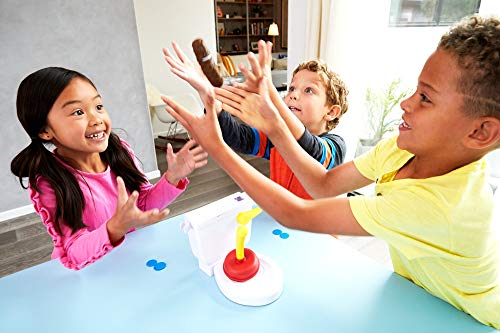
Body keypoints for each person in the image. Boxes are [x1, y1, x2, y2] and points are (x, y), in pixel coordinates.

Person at [163, 15, 500, 329]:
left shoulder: (440, 207)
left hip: (472, 319)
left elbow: (299, 204)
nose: (406, 103)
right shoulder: (403, 148)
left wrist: (222, 145)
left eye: (426, 98)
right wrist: (261, 119)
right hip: (422, 294)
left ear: (481, 132)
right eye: (416, 89)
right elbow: (324, 185)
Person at [10, 67, 208, 270]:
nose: (96, 119)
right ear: (45, 130)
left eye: (98, 106)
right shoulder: (49, 182)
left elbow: (142, 204)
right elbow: (73, 252)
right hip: (89, 270)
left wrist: (172, 178)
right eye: (78, 112)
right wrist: (115, 228)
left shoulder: (118, 151)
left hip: (127, 258)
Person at [163, 41, 348, 199]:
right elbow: (237, 137)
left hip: (319, 236)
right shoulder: (276, 140)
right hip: (283, 224)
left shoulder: (336, 146)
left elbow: (312, 150)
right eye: (291, 89)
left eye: (309, 90)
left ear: (331, 112)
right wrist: (208, 94)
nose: (293, 95)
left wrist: (273, 98)